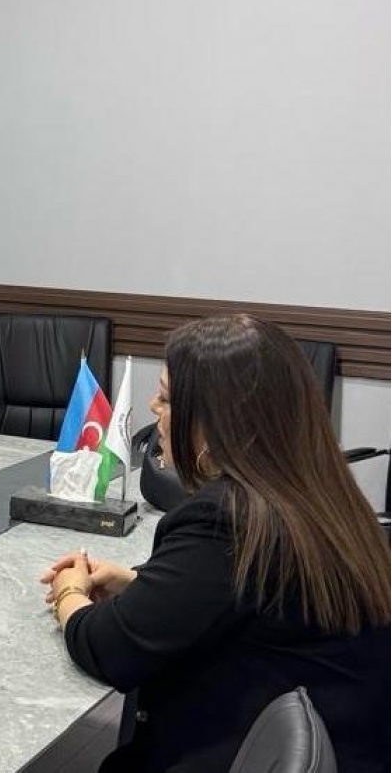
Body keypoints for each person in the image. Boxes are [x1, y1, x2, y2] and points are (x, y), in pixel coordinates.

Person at [40, 314, 390, 772]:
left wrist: (69, 591)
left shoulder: (229, 518)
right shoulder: (321, 495)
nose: (152, 406)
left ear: (216, 422)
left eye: (167, 397)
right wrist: (135, 583)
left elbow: (110, 649)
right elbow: (252, 599)